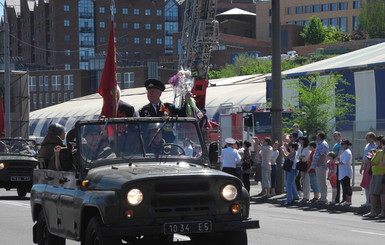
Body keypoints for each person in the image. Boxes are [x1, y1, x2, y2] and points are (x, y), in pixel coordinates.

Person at [363, 137, 385, 219]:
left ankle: (373, 211)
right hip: (383, 174)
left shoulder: (380, 152)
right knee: (383, 194)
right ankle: (382, 212)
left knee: (373, 193)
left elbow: (372, 163)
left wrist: (370, 156)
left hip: (378, 174)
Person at [360, 132, 377, 207]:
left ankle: (371, 202)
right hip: (366, 166)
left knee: (371, 185)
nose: (366, 139)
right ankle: (367, 201)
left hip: (371, 167)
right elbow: (364, 157)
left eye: (367, 138)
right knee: (366, 185)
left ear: (372, 138)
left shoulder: (375, 146)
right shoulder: (367, 146)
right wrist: (361, 166)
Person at [312, 131, 329, 204]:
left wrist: (318, 162)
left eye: (317, 136)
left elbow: (323, 155)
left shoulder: (323, 144)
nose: (316, 137)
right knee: (319, 182)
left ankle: (324, 198)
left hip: (321, 165)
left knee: (322, 182)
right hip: (318, 165)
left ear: (320, 137)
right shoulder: (320, 144)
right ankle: (322, 197)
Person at [338, 139, 353, 207]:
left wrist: (337, 163)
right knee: (344, 186)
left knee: (347, 186)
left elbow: (344, 162)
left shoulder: (347, 152)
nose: (341, 145)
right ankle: (347, 200)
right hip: (343, 172)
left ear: (346, 145)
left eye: (342, 144)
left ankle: (349, 201)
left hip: (346, 172)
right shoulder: (344, 151)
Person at [298, 136, 310, 202]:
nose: (300, 141)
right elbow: (298, 155)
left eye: (301, 140)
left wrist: (301, 157)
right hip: (301, 165)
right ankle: (303, 196)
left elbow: (307, 157)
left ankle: (306, 196)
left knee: (306, 181)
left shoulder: (307, 148)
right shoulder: (300, 147)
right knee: (302, 181)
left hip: (306, 165)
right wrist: (301, 157)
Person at [332, 131, 343, 203]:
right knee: (336, 181)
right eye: (334, 136)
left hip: (339, 163)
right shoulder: (335, 144)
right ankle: (336, 198)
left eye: (336, 136)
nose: (335, 137)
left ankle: (343, 198)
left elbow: (339, 154)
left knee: (340, 181)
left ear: (339, 136)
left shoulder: (341, 144)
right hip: (335, 163)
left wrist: (333, 161)